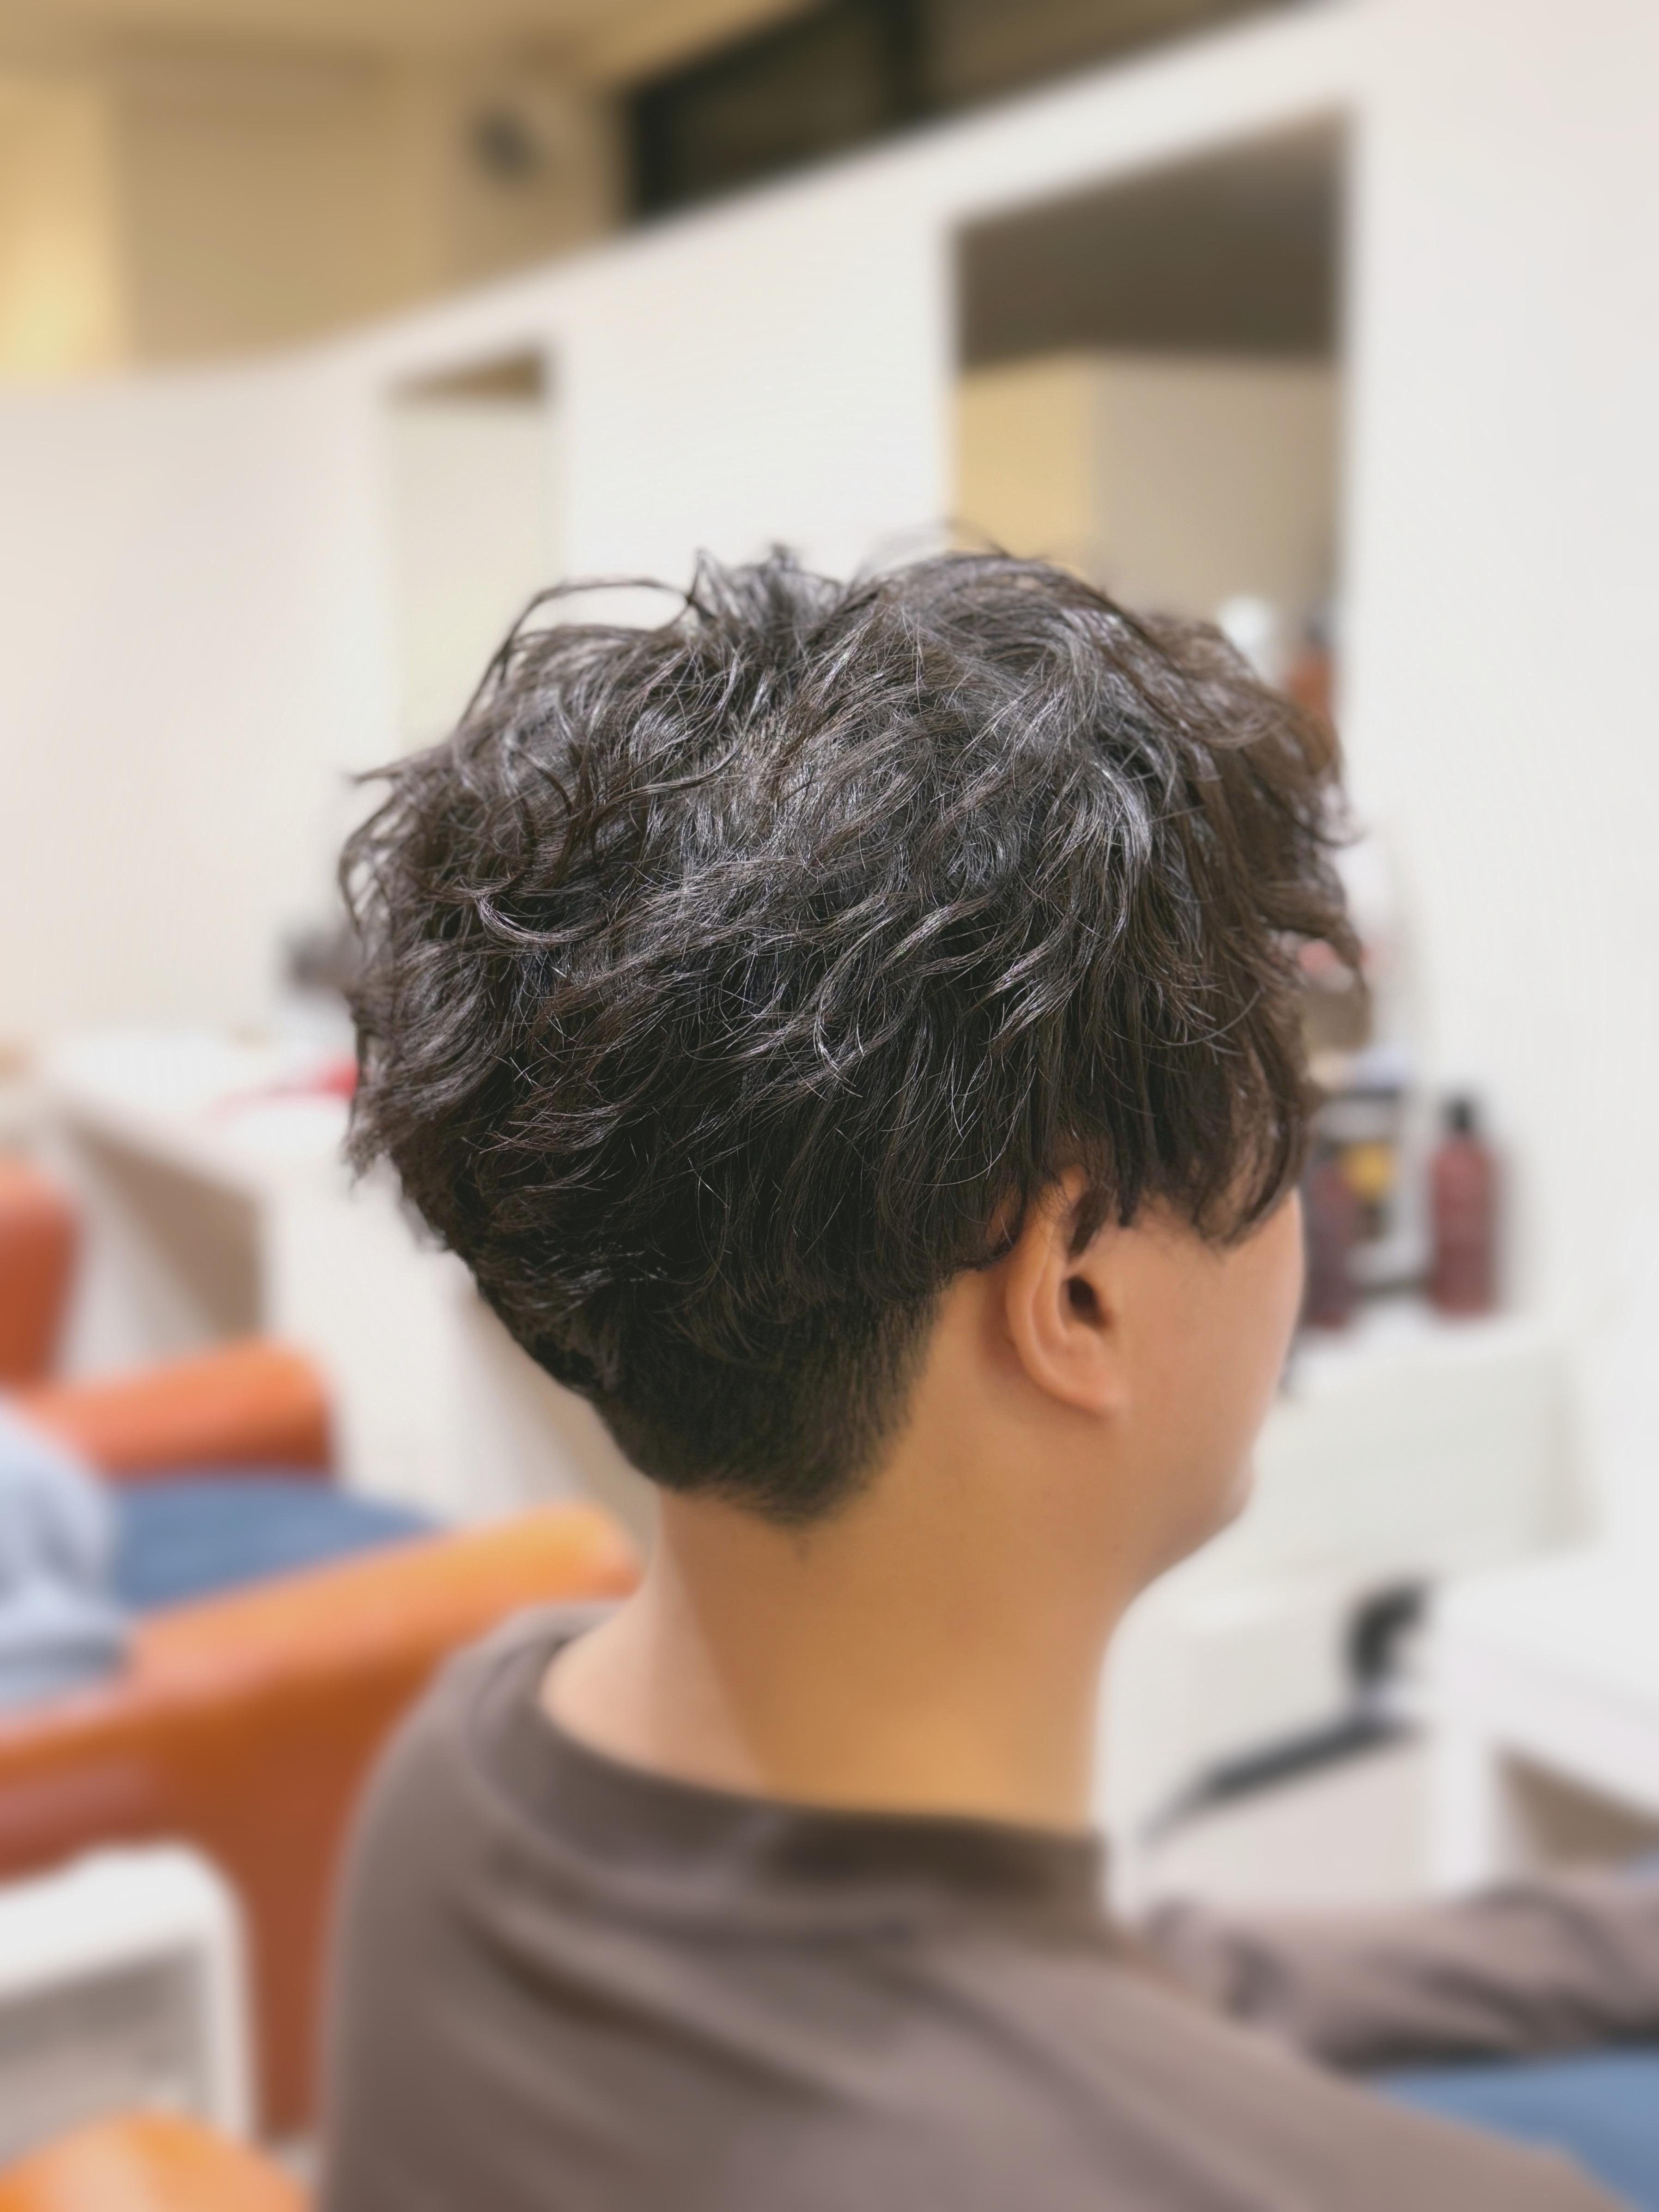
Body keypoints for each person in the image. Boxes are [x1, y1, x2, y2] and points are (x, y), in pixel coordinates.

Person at [322, 553, 1658, 2211]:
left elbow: (1111, 1984)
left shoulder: (455, 1784)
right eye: (1288, 1129)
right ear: (1077, 1291)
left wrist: (1609, 1940)